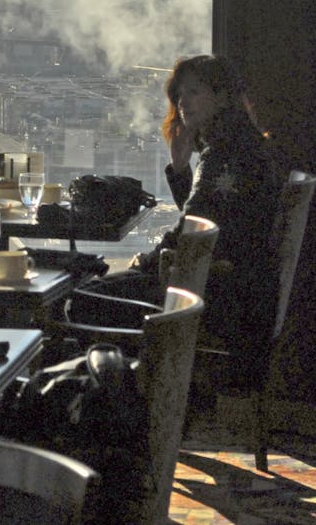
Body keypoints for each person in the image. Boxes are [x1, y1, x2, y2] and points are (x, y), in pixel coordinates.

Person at [72, 54, 284, 383]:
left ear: (223, 95)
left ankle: (122, 394)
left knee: (83, 300)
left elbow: (192, 228)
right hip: (236, 286)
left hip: (218, 293)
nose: (184, 103)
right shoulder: (242, 144)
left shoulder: (225, 155)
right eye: (180, 95)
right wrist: (181, 168)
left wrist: (149, 262)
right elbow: (207, 217)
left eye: (195, 92)